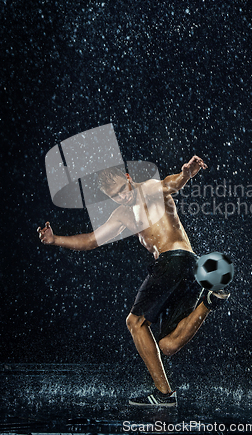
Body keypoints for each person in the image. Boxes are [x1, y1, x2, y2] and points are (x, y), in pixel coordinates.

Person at [37, 155, 229, 407]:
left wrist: (186, 173)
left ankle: (164, 395)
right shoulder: (122, 214)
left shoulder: (147, 188)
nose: (123, 196)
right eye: (115, 195)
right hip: (190, 267)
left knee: (135, 322)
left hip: (174, 259)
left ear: (129, 178)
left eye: (123, 189)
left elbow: (171, 184)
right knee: (168, 345)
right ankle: (210, 301)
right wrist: (55, 240)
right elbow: (91, 240)